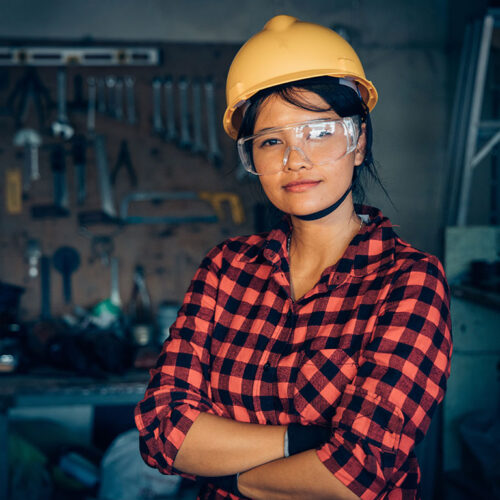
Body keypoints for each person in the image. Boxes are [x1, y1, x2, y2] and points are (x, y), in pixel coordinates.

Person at [135, 14, 452, 500]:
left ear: (359, 141)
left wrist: (222, 472)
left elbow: (357, 474)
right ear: (252, 159)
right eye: (270, 141)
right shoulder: (227, 269)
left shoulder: (409, 281)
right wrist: (304, 445)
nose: (294, 159)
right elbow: (161, 430)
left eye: (319, 132)